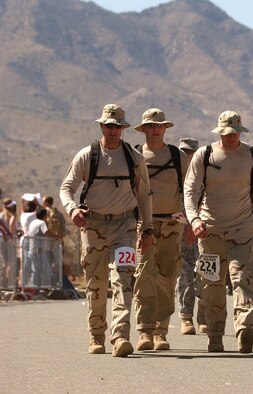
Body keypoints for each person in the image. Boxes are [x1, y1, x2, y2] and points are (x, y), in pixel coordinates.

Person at [60, 103, 153, 357]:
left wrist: (147, 230)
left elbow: (144, 196)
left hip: (125, 226)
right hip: (93, 227)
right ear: (101, 126)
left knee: (123, 279)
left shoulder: (134, 159)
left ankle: (121, 336)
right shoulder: (87, 156)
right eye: (108, 126)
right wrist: (72, 209)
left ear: (123, 129)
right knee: (96, 283)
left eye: (117, 127)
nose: (112, 131)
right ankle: (96, 335)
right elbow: (66, 188)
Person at [184, 110, 253, 354]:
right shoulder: (206, 155)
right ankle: (215, 335)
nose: (231, 138)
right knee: (212, 285)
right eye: (226, 133)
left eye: (235, 133)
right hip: (210, 234)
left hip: (242, 231)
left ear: (240, 132)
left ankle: (244, 330)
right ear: (219, 132)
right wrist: (194, 219)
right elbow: (189, 191)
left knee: (242, 280)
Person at [132, 108, 191, 351]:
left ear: (165, 129)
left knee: (167, 277)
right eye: (151, 126)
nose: (155, 130)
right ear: (144, 129)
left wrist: (190, 222)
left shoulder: (179, 157)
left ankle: (161, 331)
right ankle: (144, 331)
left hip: (172, 224)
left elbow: (191, 191)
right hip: (142, 225)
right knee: (144, 275)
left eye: (159, 126)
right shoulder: (134, 156)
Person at [175, 137, 207, 335]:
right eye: (184, 153)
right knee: (184, 276)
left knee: (205, 274)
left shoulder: (206, 178)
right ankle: (186, 318)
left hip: (203, 234)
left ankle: (204, 316)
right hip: (181, 234)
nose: (187, 157)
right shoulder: (173, 178)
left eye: (191, 153)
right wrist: (185, 225)